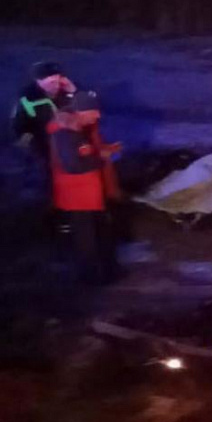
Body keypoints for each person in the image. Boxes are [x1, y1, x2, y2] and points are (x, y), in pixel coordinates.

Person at [48, 90, 123, 286]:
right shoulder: (64, 133)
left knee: (98, 233)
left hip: (89, 194)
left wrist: (105, 151)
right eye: (94, 112)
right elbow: (72, 165)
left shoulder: (79, 129)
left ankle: (105, 272)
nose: (98, 116)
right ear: (81, 111)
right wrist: (101, 159)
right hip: (78, 197)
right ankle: (90, 279)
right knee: (86, 240)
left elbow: (84, 154)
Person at [11, 61, 76, 162]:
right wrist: (38, 147)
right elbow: (19, 128)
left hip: (70, 143)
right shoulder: (27, 99)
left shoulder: (67, 90)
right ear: (38, 81)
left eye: (59, 81)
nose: (57, 86)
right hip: (46, 148)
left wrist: (73, 93)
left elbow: (83, 111)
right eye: (52, 83)